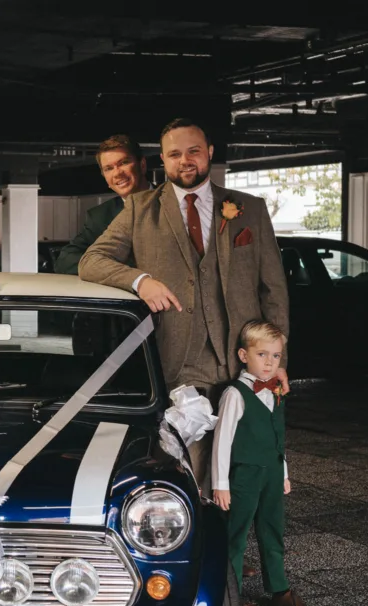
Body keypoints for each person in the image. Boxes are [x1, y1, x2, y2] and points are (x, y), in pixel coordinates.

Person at [79, 117, 290, 491]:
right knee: (182, 462)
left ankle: (233, 540)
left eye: (193, 151)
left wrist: (276, 361)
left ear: (209, 153)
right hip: (175, 356)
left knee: (243, 461)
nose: (185, 160)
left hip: (242, 356)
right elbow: (91, 261)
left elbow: (272, 289)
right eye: (175, 154)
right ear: (162, 160)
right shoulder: (139, 209)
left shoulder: (250, 208)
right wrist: (140, 281)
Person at [211, 320, 316, 606]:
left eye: (276, 356)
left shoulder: (275, 392)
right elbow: (222, 441)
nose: (270, 362)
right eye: (262, 355)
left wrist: (283, 472)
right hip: (243, 475)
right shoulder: (235, 394)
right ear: (244, 355)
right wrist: (220, 484)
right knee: (236, 536)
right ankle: (232, 599)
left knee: (272, 529)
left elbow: (277, 436)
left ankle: (280, 590)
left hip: (270, 472)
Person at [54, 134, 150, 275]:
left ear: (142, 165)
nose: (117, 173)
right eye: (108, 168)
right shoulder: (99, 217)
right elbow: (65, 260)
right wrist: (124, 275)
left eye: (123, 163)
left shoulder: (172, 201)